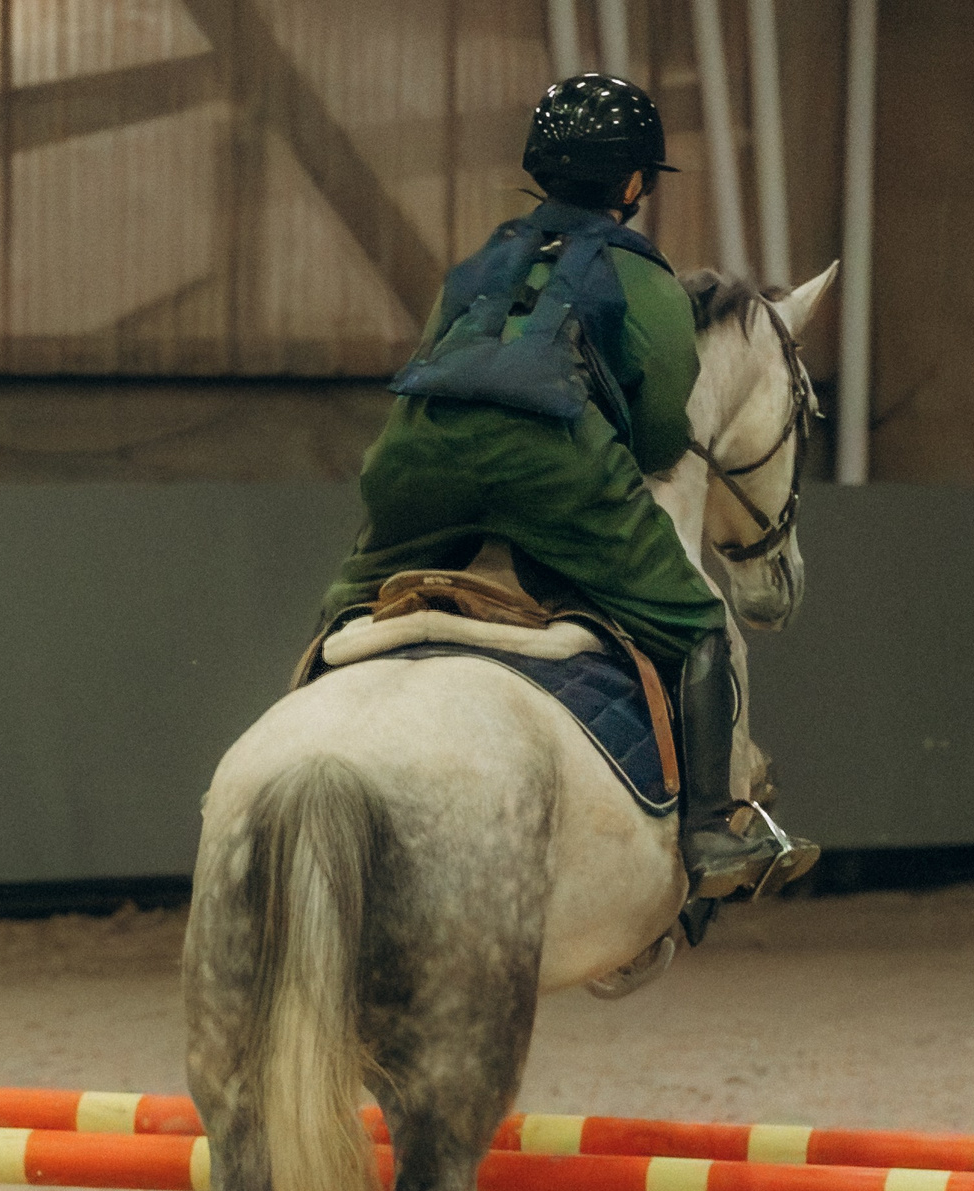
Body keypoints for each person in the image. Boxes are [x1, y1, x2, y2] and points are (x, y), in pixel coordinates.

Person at [318, 73, 816, 903]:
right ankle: (707, 836)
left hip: (414, 463)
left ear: (538, 170)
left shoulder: (477, 266)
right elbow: (660, 437)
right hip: (553, 474)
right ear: (634, 184)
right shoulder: (644, 280)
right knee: (696, 625)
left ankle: (305, 718)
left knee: (346, 607)